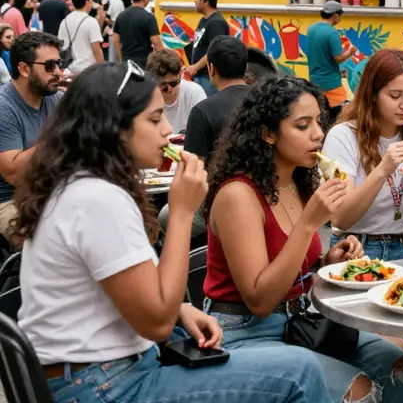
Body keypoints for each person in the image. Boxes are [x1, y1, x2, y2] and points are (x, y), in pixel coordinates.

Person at [14, 62, 331, 403]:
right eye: (154, 120)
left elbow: (117, 290)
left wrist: (180, 309)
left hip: (92, 376)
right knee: (299, 371)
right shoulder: (99, 200)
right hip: (103, 385)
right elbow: (158, 325)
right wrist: (181, 212)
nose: (168, 130)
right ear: (113, 128)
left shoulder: (80, 188)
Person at [204, 75, 403, 403]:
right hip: (243, 330)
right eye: (302, 126)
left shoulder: (298, 182)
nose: (318, 134)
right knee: (357, 390)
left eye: (318, 121)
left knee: (398, 365)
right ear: (268, 134)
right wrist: (308, 224)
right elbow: (260, 300)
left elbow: (287, 260)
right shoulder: (238, 195)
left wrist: (324, 261)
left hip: (299, 321)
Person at [323, 49, 403, 261]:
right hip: (358, 247)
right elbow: (341, 219)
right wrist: (382, 171)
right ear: (372, 95)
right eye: (395, 96)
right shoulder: (343, 136)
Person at [160, 36, 251, 238]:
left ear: (211, 69)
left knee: (165, 217)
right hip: (268, 194)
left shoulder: (203, 111)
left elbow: (194, 171)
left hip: (219, 202)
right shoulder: (267, 100)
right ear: (245, 67)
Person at [0, 32, 63, 240]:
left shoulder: (56, 98)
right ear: (24, 69)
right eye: (49, 66)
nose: (59, 72)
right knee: (49, 239)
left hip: (51, 192)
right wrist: (59, 137)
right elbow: (14, 175)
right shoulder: (4, 108)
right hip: (10, 201)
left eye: (59, 64)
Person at [306, 1, 356, 122]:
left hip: (314, 80)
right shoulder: (332, 33)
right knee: (341, 117)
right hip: (331, 83)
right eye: (340, 16)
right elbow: (337, 58)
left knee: (321, 116)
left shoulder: (311, 29)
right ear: (335, 16)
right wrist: (350, 52)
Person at [146, 48, 206, 134]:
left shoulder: (194, 92)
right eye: (163, 84)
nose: (169, 89)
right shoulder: (146, 96)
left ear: (181, 73)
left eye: (174, 83)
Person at [186, 0, 229, 96]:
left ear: (206, 2)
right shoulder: (204, 20)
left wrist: (195, 67)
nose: (194, 1)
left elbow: (214, 50)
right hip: (200, 75)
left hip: (208, 77)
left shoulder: (216, 23)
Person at [112, 0, 163, 69]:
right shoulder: (149, 17)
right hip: (144, 63)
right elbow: (155, 40)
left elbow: (115, 39)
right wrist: (163, 59)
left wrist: (121, 58)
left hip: (126, 62)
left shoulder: (121, 16)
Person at [58, 0, 104, 75]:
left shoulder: (65, 21)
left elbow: (61, 45)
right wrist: (102, 71)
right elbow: (96, 50)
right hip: (88, 70)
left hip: (69, 70)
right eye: (91, 0)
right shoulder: (90, 21)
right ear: (87, 2)